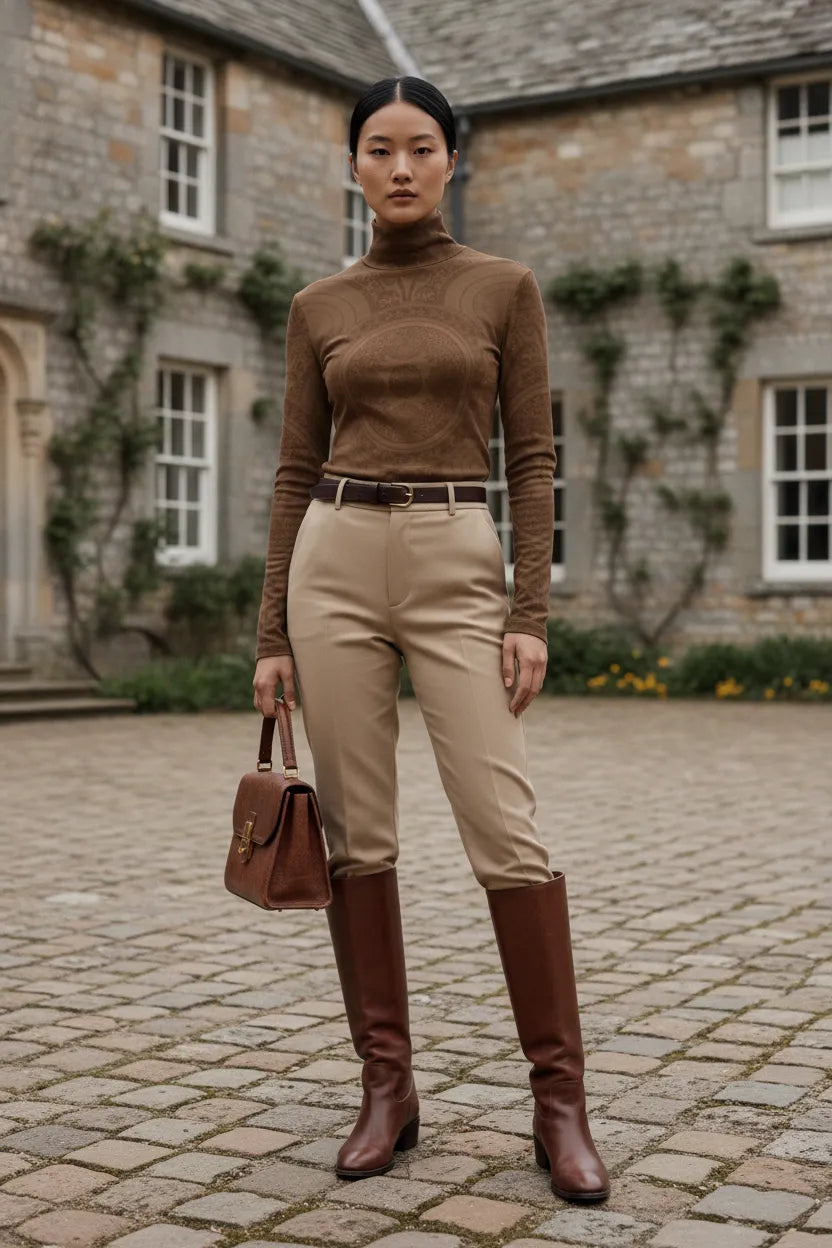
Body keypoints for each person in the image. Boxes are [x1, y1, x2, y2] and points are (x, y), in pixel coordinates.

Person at [252, 74, 610, 1203]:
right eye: (378, 148)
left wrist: (528, 613)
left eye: (419, 147)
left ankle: (560, 1105)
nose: (399, 167)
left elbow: (534, 460)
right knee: (356, 832)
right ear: (353, 165)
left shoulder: (503, 287)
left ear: (453, 158)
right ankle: (387, 1091)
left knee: (505, 828)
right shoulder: (319, 305)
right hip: (334, 556)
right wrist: (272, 632)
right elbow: (293, 469)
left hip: (458, 552)